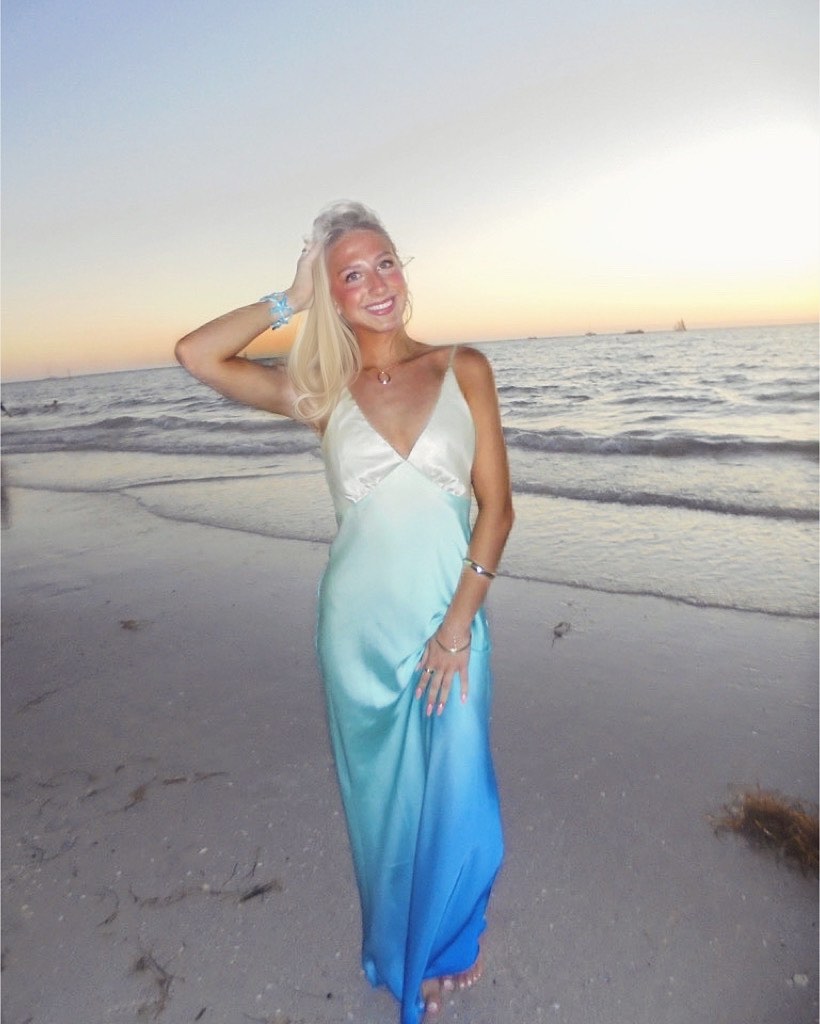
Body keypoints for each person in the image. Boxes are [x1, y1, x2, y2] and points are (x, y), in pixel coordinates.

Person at [175, 201, 513, 1023]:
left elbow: (497, 511)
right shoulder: (320, 394)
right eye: (351, 274)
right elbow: (196, 354)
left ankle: (449, 939)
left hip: (450, 617)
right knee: (385, 807)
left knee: (460, 789)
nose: (377, 283)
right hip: (359, 633)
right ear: (333, 295)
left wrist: (456, 628)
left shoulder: (463, 367)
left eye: (385, 262)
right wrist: (289, 298)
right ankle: (403, 950)